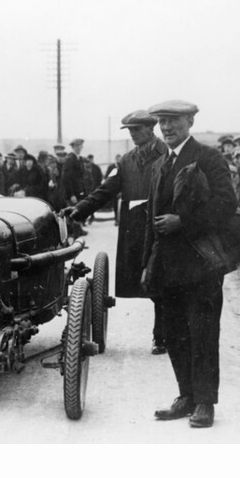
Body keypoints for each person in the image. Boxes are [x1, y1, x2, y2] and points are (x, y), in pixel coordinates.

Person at [142, 100, 237, 429]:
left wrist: (183, 221)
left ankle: (205, 403)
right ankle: (185, 396)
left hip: (201, 266)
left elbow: (227, 204)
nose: (167, 127)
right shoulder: (159, 165)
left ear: (191, 121)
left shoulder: (209, 158)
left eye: (174, 121)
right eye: (162, 122)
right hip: (168, 268)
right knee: (175, 334)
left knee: (203, 334)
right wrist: (146, 264)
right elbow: (150, 221)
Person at [67, 110, 168, 354]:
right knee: (143, 279)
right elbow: (106, 190)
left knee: (163, 281)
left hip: (161, 226)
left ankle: (162, 336)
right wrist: (79, 210)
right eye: (130, 131)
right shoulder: (126, 161)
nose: (133, 135)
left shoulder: (166, 154)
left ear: (150, 128)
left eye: (137, 130)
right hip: (135, 229)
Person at [62, 137, 87, 205]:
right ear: (73, 147)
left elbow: (81, 177)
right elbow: (66, 179)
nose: (79, 147)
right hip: (73, 196)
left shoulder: (80, 159)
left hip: (80, 193)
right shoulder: (70, 160)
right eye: (77, 146)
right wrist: (71, 195)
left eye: (80, 145)